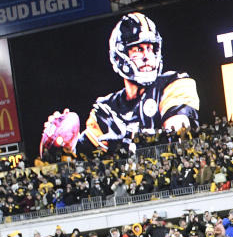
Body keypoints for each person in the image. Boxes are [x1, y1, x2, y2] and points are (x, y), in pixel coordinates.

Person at [40, 12, 199, 156]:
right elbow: (84, 156)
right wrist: (66, 145)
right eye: (138, 49)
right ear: (119, 56)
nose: (147, 56)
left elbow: (177, 137)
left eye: (150, 48)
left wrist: (123, 141)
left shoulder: (176, 84)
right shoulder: (104, 110)